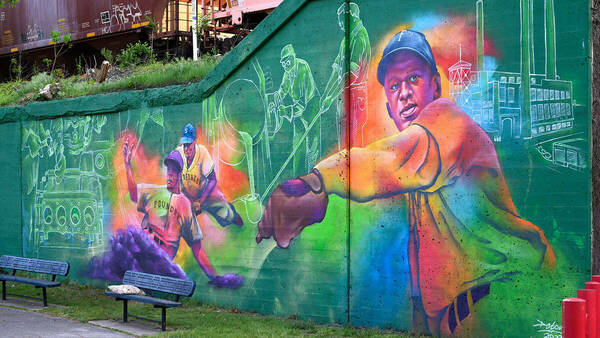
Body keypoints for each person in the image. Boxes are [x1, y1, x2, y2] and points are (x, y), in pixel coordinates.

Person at [257, 30, 556, 335]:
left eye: (414, 78)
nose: (404, 93)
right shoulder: (421, 171)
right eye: (394, 85)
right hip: (463, 306)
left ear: (435, 84)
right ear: (388, 102)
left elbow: (385, 161)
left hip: (503, 294)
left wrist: (317, 181)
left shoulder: (446, 121)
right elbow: (425, 259)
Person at [123, 138, 238, 287]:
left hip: (160, 263)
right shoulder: (155, 191)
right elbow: (133, 194)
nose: (170, 173)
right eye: (168, 169)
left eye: (174, 170)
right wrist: (127, 166)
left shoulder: (185, 205)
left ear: (180, 174)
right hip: (143, 254)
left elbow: (197, 249)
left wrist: (214, 277)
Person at [321, 2, 371, 147]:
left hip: (355, 96)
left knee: (354, 143)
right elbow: (337, 70)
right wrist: (326, 95)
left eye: (341, 19)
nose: (340, 24)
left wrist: (331, 97)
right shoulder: (345, 40)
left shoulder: (360, 37)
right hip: (343, 96)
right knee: (343, 142)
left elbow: (351, 74)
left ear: (351, 17)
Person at [176, 124, 243, 227]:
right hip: (188, 194)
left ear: (194, 142)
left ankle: (233, 216)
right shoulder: (178, 153)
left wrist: (200, 202)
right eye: (184, 144)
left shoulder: (202, 152)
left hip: (206, 194)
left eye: (188, 144)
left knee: (226, 214)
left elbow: (212, 180)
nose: (186, 148)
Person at [269, 45, 319, 175]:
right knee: (298, 145)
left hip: (310, 106)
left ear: (293, 57)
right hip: (298, 107)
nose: (285, 64)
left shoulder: (302, 67)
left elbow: (302, 104)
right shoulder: (288, 72)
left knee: (312, 146)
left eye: (287, 60)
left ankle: (311, 178)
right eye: (283, 62)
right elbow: (283, 90)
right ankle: (298, 177)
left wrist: (285, 111)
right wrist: (275, 100)